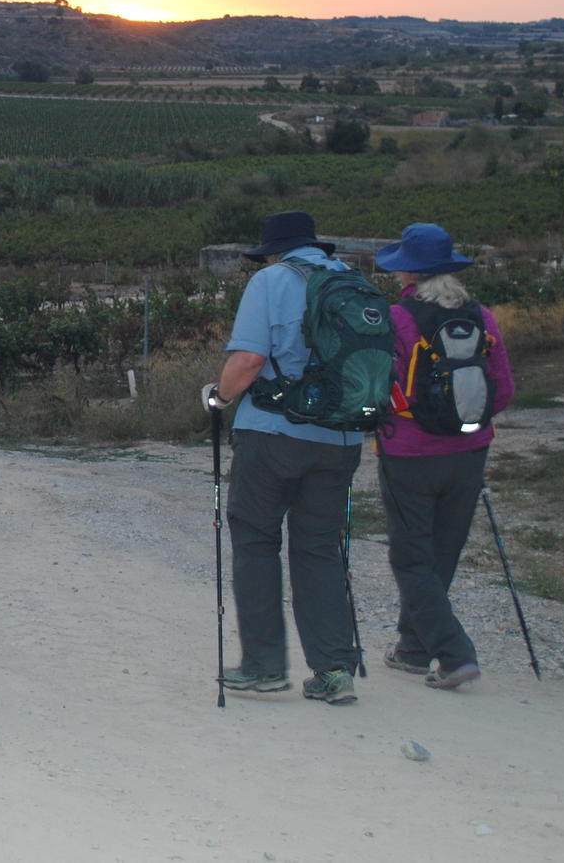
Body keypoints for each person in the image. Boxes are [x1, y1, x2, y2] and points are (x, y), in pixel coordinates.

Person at [208, 210, 366, 706]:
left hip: (274, 434)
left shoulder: (270, 280)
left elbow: (249, 360)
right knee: (318, 548)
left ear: (273, 250)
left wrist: (219, 397)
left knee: (255, 539)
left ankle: (264, 665)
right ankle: (334, 670)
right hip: (341, 438)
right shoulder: (352, 281)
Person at [374, 222, 514, 691]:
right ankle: (414, 649)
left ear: (409, 273)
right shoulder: (483, 317)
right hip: (471, 451)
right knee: (441, 553)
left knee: (411, 558)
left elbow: (378, 385)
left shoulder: (397, 318)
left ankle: (454, 655)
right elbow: (505, 389)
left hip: (409, 451)